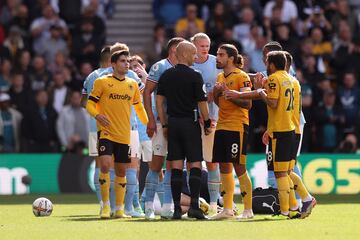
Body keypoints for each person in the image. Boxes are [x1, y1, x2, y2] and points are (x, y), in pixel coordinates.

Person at [224, 51, 304, 219]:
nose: (265, 65)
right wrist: (256, 89)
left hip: (281, 130)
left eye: (267, 62)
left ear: (272, 64)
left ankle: (284, 211)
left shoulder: (275, 79)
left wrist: (260, 91)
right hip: (291, 128)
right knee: (287, 171)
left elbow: (272, 102)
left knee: (280, 173)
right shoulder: (293, 81)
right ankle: (297, 205)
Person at [82, 44, 145, 217]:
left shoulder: (92, 76)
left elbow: (83, 101)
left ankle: (107, 205)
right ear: (112, 60)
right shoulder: (127, 75)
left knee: (110, 167)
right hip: (123, 126)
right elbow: (144, 95)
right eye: (123, 59)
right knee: (129, 167)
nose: (127, 62)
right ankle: (129, 206)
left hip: (104, 128)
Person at [156, 41, 212, 219]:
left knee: (176, 165)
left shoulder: (166, 75)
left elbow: (159, 101)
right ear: (186, 55)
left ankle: (178, 210)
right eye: (194, 54)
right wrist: (208, 121)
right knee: (195, 163)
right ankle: (194, 207)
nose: (196, 57)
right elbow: (202, 102)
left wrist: (164, 124)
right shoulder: (195, 75)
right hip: (190, 123)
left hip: (173, 124)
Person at [210, 44, 253, 220]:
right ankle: (227, 209)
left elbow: (248, 104)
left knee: (239, 166)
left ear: (231, 59)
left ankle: (248, 210)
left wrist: (232, 95)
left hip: (237, 126)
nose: (217, 58)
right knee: (223, 166)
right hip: (221, 125)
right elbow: (222, 104)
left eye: (221, 55)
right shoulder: (220, 76)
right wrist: (217, 93)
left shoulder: (242, 77)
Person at [143, 37, 184, 220]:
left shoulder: (187, 67)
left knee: (173, 165)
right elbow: (147, 91)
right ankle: (149, 207)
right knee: (156, 164)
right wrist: (151, 118)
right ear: (172, 50)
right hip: (161, 122)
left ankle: (167, 207)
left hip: (178, 122)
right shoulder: (160, 67)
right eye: (180, 49)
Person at [190, 32, 221, 216]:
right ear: (193, 46)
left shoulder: (216, 62)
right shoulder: (187, 62)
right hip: (192, 118)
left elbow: (222, 86)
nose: (205, 49)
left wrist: (212, 95)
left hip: (213, 118)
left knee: (211, 162)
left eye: (207, 45)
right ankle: (193, 201)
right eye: (201, 45)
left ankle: (214, 203)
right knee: (192, 162)